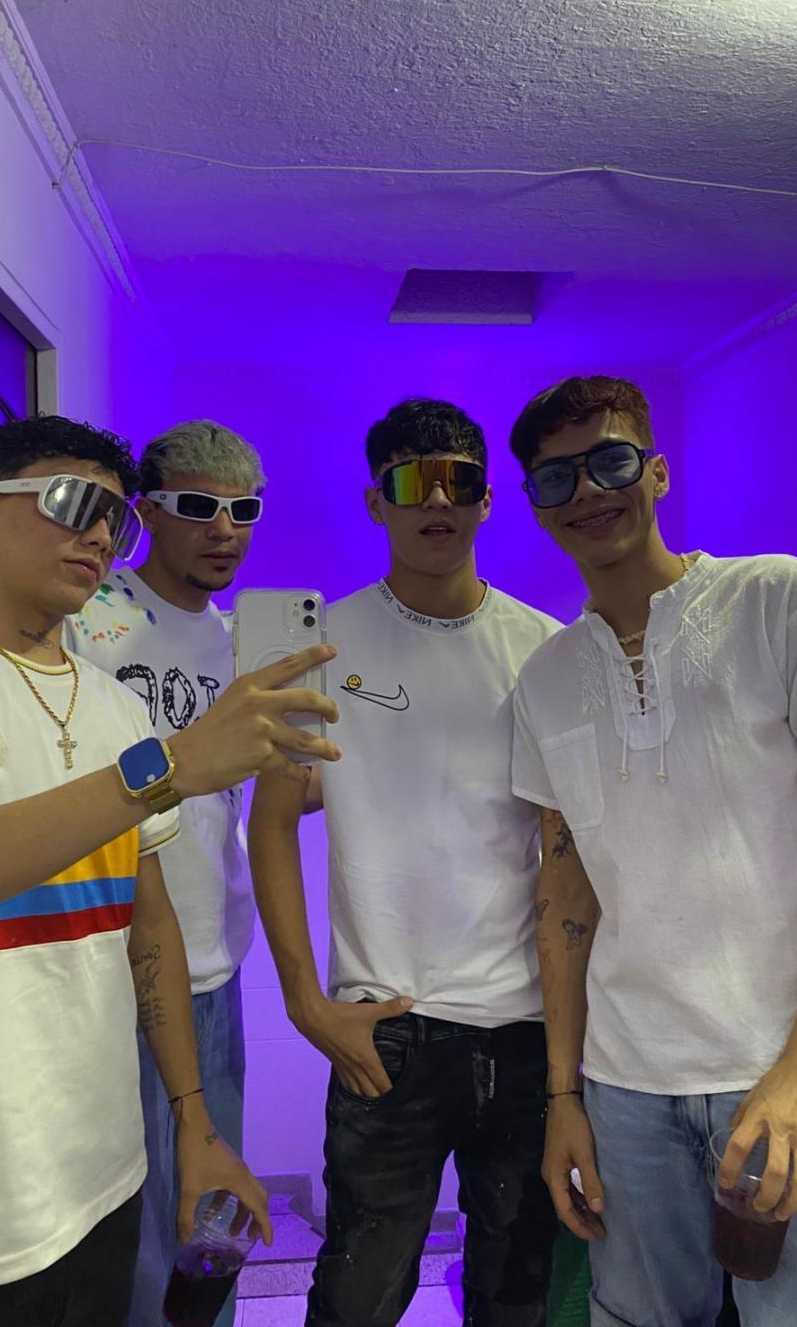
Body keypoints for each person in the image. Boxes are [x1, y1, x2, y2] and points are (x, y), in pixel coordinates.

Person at [0, 415, 340, 1327]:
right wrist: (167, 769)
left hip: (104, 1174)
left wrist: (195, 1124)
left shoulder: (119, 709)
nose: (98, 535)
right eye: (72, 502)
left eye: (113, 519)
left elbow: (147, 923)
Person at [509, 375, 797, 1326]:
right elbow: (566, 899)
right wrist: (564, 1096)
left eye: (609, 461)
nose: (587, 491)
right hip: (626, 1090)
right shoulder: (544, 680)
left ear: (657, 471)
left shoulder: (778, 602)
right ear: (537, 506)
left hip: (785, 1070)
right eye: (557, 478)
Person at [249, 398, 563, 1327]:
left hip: (526, 1027)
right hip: (386, 1031)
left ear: (487, 498)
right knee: (358, 1297)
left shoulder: (545, 649)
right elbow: (272, 821)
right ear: (375, 500)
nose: (436, 502)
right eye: (411, 481)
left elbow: (568, 849)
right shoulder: (321, 647)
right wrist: (306, 1004)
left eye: (457, 481)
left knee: (518, 1297)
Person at [69, 419, 264, 1327]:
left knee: (208, 1226)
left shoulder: (242, 643)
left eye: (243, 511)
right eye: (197, 507)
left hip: (215, 966)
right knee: (128, 1234)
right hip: (107, 966)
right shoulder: (90, 621)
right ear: (146, 513)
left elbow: (250, 798)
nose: (224, 529)